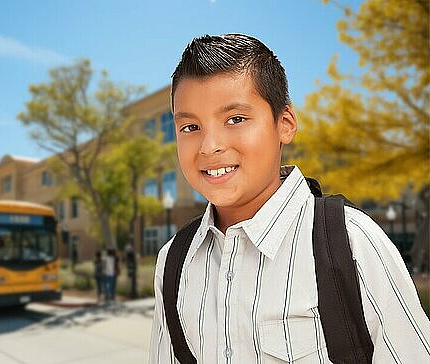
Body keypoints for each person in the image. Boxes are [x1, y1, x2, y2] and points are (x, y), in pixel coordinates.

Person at [149, 34, 430, 363]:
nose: (209, 145)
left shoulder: (352, 243)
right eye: (190, 127)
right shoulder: (173, 262)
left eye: (235, 119)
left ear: (285, 124)